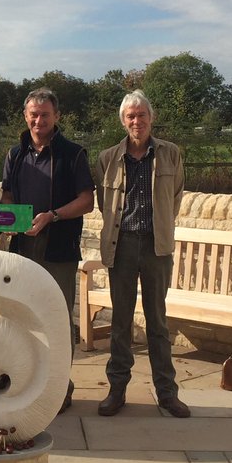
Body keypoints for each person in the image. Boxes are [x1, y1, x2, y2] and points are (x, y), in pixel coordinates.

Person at [95, 90, 190, 418]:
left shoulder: (170, 154)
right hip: (121, 247)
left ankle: (167, 393)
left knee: (158, 322)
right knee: (120, 322)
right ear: (123, 121)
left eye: (142, 115)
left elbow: (174, 198)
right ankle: (117, 389)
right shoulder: (107, 159)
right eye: (130, 116)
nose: (137, 121)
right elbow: (103, 204)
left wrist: (159, 228)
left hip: (156, 246)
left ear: (151, 118)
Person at [1, 87, 94, 412]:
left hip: (58, 247)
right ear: (26, 117)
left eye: (45, 114)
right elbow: (8, 197)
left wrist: (52, 216)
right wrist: (9, 219)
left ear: (56, 117)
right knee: (21, 316)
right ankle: (28, 382)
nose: (38, 120)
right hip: (23, 246)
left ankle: (59, 387)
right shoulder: (15, 154)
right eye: (33, 115)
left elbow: (87, 201)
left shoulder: (73, 153)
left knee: (55, 317)